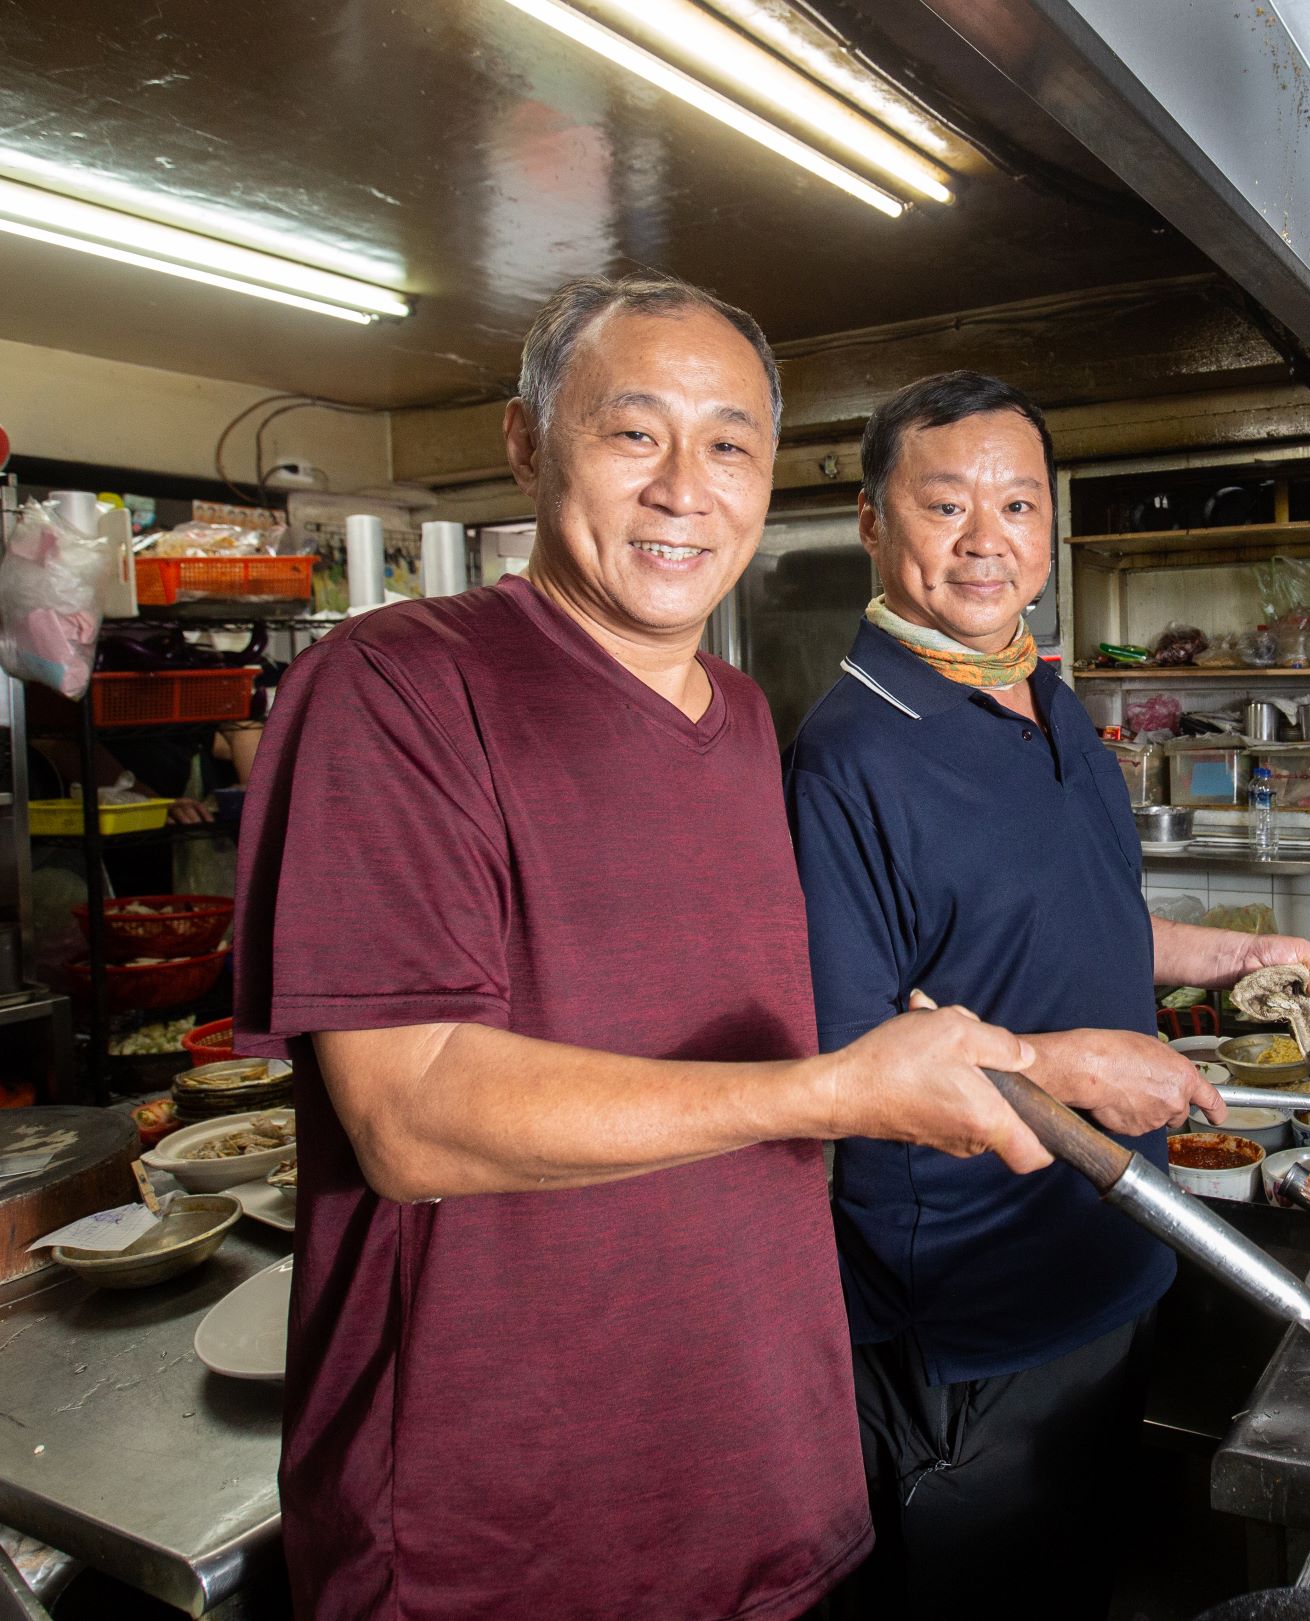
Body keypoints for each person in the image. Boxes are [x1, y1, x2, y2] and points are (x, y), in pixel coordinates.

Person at [233, 279, 1052, 1621]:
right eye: (634, 435)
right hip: (501, 1534)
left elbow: (749, 1022)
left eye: (728, 444)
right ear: (528, 442)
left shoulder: (737, 717)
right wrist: (831, 1095)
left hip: (766, 1484)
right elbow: (411, 1115)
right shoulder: (396, 687)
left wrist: (1026, 1056)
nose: (686, 488)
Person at [786, 370, 1310, 1619]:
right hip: (976, 1310)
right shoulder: (847, 754)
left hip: (1118, 1248)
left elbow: (1076, 921)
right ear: (875, 523)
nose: (989, 541)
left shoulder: (1045, 692)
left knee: (1093, 1575)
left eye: (1020, 506)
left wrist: (1225, 956)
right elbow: (848, 1051)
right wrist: (1065, 1069)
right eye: (946, 506)